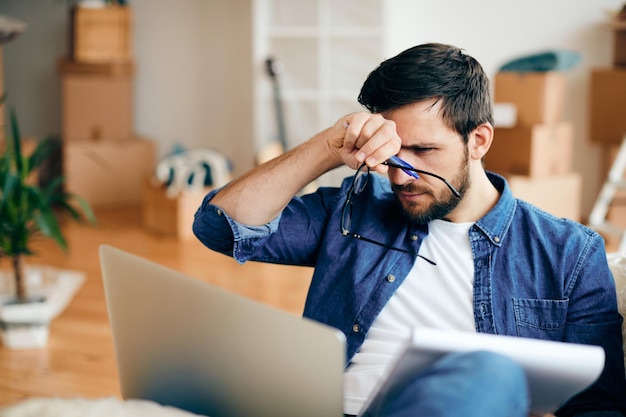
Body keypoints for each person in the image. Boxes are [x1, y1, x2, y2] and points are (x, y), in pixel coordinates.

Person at [192, 43, 626, 416]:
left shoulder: (569, 252)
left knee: (490, 369)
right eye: (395, 154)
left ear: (479, 141)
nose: (401, 176)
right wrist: (327, 146)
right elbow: (219, 226)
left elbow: (599, 405)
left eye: (423, 150)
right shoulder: (353, 209)